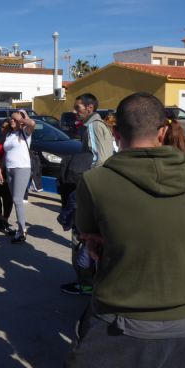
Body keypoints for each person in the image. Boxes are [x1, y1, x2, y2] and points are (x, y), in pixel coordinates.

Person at [65, 92, 185, 367]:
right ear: (163, 131)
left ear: (115, 132)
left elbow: (89, 235)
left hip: (118, 319)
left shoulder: (95, 182)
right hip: (184, 324)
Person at [60, 93, 114, 296]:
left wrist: (85, 185)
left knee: (80, 236)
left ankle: (84, 283)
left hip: (89, 190)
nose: (75, 111)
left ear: (90, 108)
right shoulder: (100, 126)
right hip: (101, 190)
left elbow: (97, 160)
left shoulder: (92, 126)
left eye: (78, 108)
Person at [0, 110, 35, 244]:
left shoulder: (25, 132)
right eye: (11, 119)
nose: (12, 120)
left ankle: (22, 230)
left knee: (17, 199)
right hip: (9, 169)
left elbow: (32, 123)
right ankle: (21, 229)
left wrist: (22, 118)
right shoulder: (9, 134)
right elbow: (5, 154)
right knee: (15, 200)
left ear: (20, 120)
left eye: (14, 119)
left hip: (22, 168)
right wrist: (0, 171)